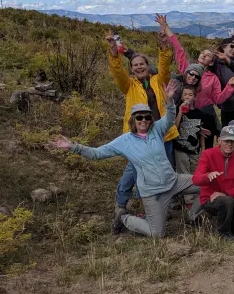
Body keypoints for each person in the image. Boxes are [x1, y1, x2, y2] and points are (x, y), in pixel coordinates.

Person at [49, 81, 202, 238]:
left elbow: (169, 119)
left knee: (208, 184)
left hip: (174, 181)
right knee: (157, 233)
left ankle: (193, 216)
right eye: (139, 117)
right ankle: (124, 218)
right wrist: (73, 146)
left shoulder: (156, 130)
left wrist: (169, 100)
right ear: (133, 120)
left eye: (147, 117)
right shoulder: (124, 141)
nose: (143, 120)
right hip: (153, 193)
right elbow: (96, 154)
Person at [107, 16, 179, 231]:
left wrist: (164, 44)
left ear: (148, 66)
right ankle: (120, 206)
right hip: (139, 137)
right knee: (132, 170)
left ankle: (157, 207)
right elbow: (117, 71)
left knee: (164, 170)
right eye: (135, 65)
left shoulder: (159, 80)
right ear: (132, 69)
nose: (138, 67)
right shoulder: (128, 85)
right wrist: (113, 50)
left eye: (142, 64)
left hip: (163, 134)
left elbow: (165, 65)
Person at [193, 126, 234, 240]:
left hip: (231, 197)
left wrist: (226, 193)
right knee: (226, 202)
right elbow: (196, 179)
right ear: (219, 140)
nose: (230, 144)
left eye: (233, 141)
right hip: (210, 199)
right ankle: (222, 233)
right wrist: (207, 176)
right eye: (227, 141)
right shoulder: (208, 154)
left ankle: (220, 222)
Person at [173, 85, 216, 174]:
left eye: (190, 95)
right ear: (181, 97)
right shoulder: (177, 110)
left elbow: (201, 133)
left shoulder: (200, 114)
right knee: (184, 173)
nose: (187, 97)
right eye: (185, 94)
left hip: (195, 149)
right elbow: (174, 128)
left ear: (195, 97)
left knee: (195, 173)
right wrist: (180, 112)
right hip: (180, 147)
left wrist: (203, 150)